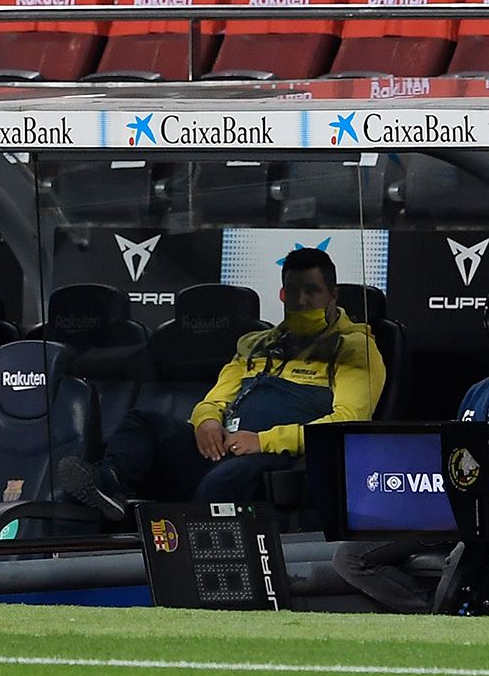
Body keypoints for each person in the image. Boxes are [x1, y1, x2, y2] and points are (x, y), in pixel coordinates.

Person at [60, 248, 387, 518]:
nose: (301, 301)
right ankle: (108, 483)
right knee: (142, 422)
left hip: (281, 458)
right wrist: (206, 423)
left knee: (221, 482)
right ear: (282, 294)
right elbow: (213, 400)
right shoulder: (256, 343)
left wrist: (262, 441)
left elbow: (346, 423)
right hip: (223, 446)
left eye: (312, 291)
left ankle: (194, 584)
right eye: (294, 292)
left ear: (333, 294)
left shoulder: (354, 347)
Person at [330, 369, 488, 613]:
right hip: (449, 510)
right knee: (349, 556)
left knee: (463, 557)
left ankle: (446, 617)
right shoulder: (477, 391)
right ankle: (432, 618)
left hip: (480, 520)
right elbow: (455, 453)